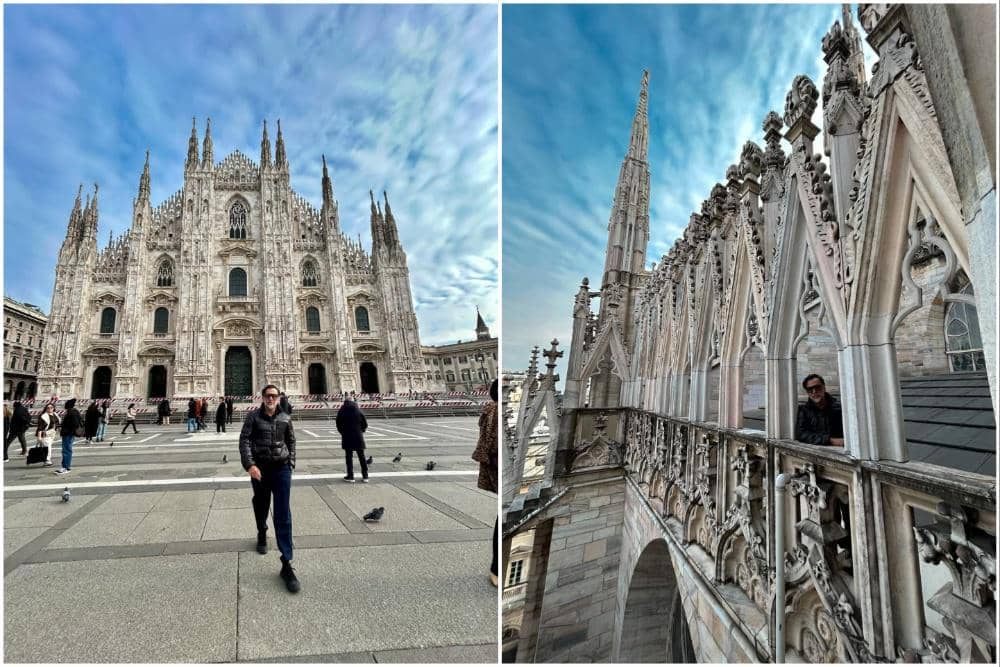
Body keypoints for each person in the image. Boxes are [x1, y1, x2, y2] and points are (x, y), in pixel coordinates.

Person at [239, 384, 299, 593]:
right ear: (262, 398)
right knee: (261, 504)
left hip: (281, 469)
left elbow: (291, 441)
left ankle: (286, 562)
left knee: (283, 514)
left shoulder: (285, 417)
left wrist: (290, 464)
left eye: (274, 396)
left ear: (279, 398)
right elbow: (244, 440)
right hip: (261, 469)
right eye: (267, 396)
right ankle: (262, 531)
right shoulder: (253, 417)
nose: (271, 399)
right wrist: (250, 465)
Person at [472, 379, 499, 586]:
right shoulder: (493, 413)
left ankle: (496, 568)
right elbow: (490, 444)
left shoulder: (489, 411)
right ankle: (495, 569)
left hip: (493, 464)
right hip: (496, 464)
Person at [795, 374, 844, 447]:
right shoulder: (804, 411)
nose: (814, 391)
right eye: (810, 389)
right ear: (807, 392)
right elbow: (801, 434)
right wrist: (830, 440)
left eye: (817, 387)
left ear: (824, 388)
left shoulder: (839, 408)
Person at [336, 397, 369, 482]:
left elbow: (338, 423)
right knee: (361, 456)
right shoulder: (357, 410)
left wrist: (342, 432)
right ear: (352, 401)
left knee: (349, 457)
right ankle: (365, 476)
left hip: (347, 436)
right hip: (358, 436)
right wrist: (361, 430)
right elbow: (365, 423)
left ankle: (350, 476)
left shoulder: (342, 410)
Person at [56, 398, 82, 475]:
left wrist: (67, 428)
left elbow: (75, 424)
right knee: (66, 450)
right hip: (68, 433)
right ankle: (65, 466)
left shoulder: (72, 412)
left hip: (68, 434)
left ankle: (66, 467)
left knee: (66, 450)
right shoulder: (73, 411)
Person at [35, 402, 60, 467]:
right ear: (46, 408)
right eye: (48, 408)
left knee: (47, 447)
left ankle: (45, 460)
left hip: (52, 434)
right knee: (48, 447)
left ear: (53, 408)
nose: (50, 409)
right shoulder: (43, 416)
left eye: (51, 407)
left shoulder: (55, 414)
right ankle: (47, 460)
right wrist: (39, 437)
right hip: (45, 433)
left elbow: (57, 423)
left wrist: (57, 429)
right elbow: (40, 427)